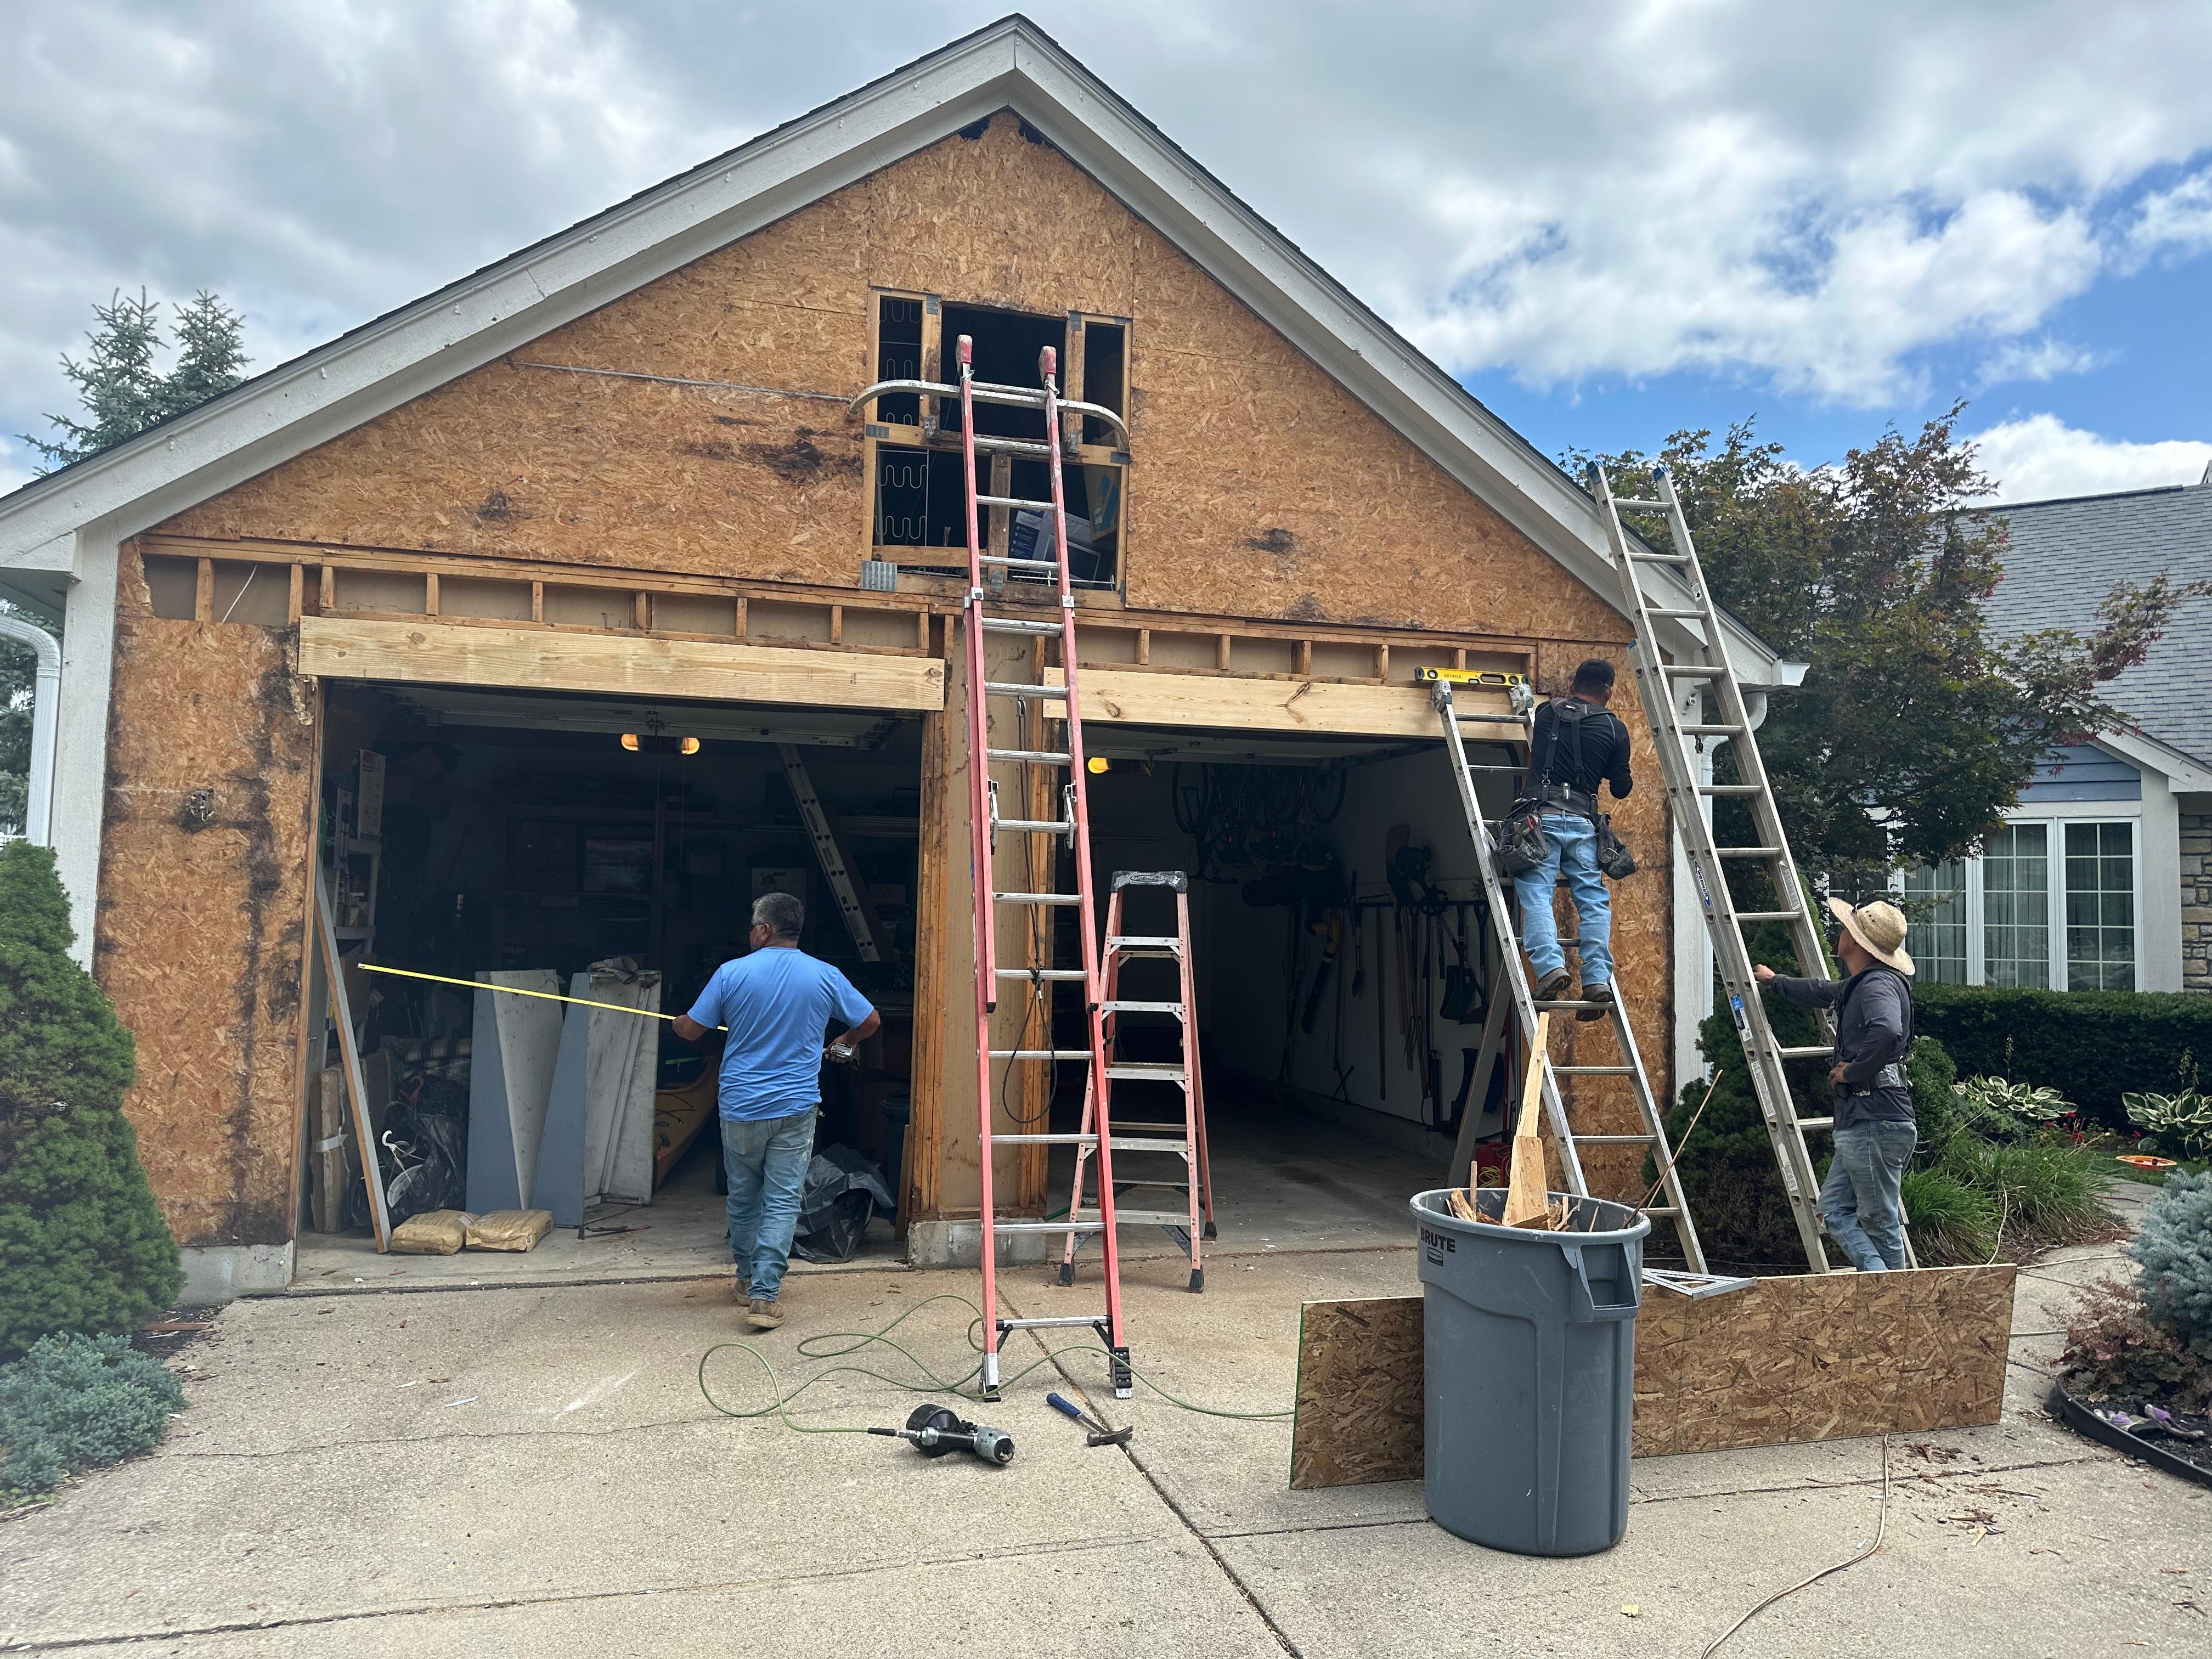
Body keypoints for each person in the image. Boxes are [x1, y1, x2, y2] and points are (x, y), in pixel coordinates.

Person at [673, 891, 879, 1329]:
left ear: (764, 930)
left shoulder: (731, 974)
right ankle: (766, 1295)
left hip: (741, 1107)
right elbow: (871, 1021)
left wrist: (677, 1022)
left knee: (744, 1195)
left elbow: (691, 1031)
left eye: (753, 927)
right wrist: (845, 1043)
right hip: (796, 1107)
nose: (751, 934)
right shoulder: (825, 976)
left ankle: (747, 1280)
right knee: (783, 1200)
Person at [1753, 898, 1916, 1272]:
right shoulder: (1862, 984)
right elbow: (1823, 991)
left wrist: (1853, 1072)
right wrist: (1775, 981)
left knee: (1879, 1221)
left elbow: (1888, 1029)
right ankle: (1881, 1284)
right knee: (1834, 1212)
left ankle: (1894, 1307)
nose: (1841, 933)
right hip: (1865, 1119)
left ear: (1856, 942)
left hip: (1874, 1117)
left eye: (1847, 928)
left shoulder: (1877, 985)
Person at [1515, 658, 1634, 1021]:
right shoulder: (1615, 729)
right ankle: (1597, 978)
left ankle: (1551, 968)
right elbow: (1622, 788)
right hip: (1583, 825)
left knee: (1537, 893)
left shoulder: (1546, 713)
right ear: (1609, 692)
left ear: (1574, 684)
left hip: (1540, 820)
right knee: (1593, 900)